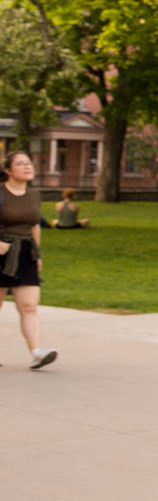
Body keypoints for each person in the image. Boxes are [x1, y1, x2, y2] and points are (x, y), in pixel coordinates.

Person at [1, 152, 58, 370]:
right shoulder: (1, 192)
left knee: (29, 305)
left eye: (29, 163)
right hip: (2, 252)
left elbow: (35, 226)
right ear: (8, 170)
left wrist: (38, 255)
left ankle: (36, 353)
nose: (27, 167)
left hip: (25, 252)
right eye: (21, 164)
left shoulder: (34, 195)